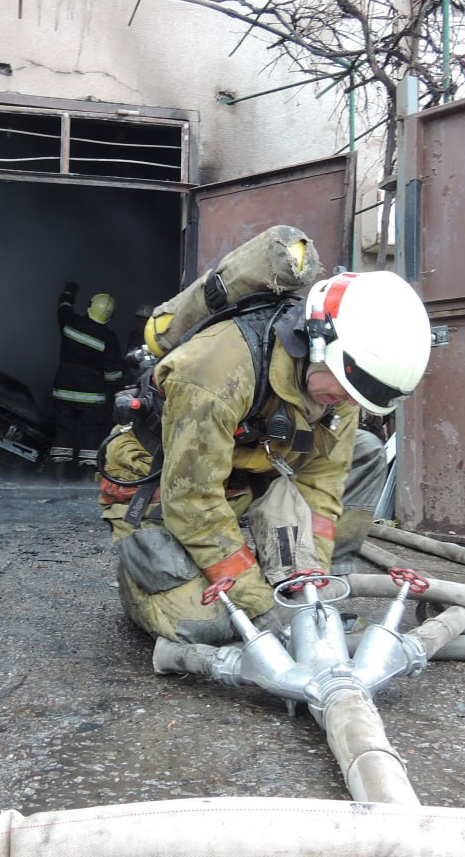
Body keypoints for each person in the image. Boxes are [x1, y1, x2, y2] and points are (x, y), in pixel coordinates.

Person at [98, 270, 431, 644]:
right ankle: (142, 581)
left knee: (364, 450)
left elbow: (322, 484)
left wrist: (309, 587)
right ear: (316, 345)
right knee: (210, 626)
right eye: (350, 389)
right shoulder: (215, 372)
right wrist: (262, 607)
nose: (353, 402)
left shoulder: (342, 382)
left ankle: (323, 582)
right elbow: (193, 502)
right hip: (165, 481)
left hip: (248, 471)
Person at [47, 281, 122, 475]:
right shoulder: (109, 337)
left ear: (90, 306)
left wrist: (69, 292)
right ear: (110, 316)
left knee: (64, 430)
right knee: (91, 434)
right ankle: (88, 479)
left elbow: (62, 308)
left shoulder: (70, 323)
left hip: (63, 390)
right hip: (93, 396)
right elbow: (113, 373)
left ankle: (57, 477)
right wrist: (117, 395)